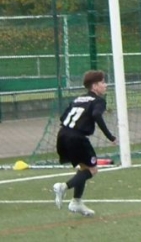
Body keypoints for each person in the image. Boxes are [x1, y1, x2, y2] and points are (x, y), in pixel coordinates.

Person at [52, 70, 118, 217]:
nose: (105, 85)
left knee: (83, 167)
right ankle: (64, 186)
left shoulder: (78, 99)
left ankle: (76, 202)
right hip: (76, 138)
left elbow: (63, 117)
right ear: (94, 86)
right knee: (92, 170)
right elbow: (96, 114)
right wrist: (110, 136)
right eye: (102, 82)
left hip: (62, 135)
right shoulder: (98, 101)